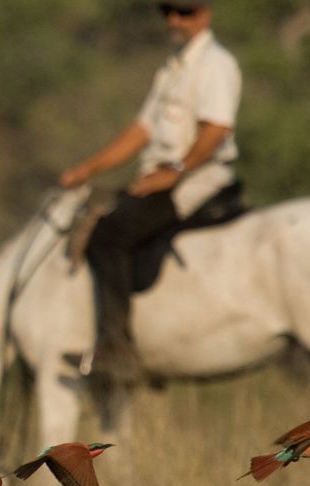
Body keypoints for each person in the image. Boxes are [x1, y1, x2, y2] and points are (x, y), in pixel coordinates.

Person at [59, 0, 241, 384]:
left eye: (185, 11)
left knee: (107, 235)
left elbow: (216, 130)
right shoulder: (172, 68)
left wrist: (174, 173)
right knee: (100, 214)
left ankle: (116, 351)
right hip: (166, 176)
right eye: (167, 11)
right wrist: (88, 169)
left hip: (198, 180)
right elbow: (141, 132)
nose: (174, 19)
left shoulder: (216, 64)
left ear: (205, 14)